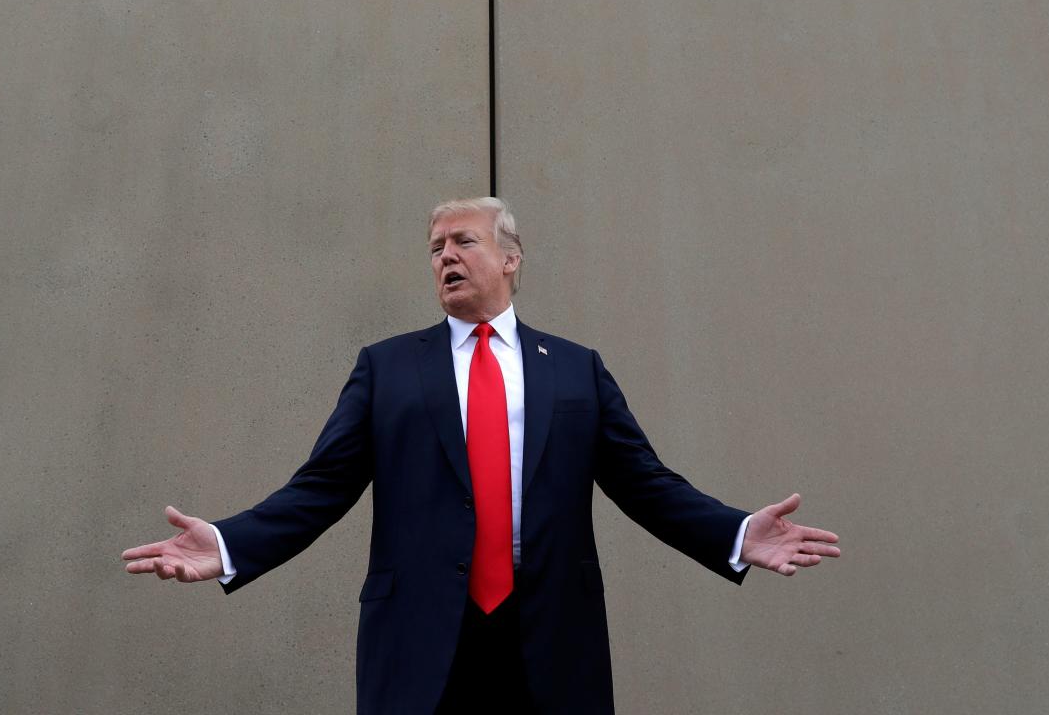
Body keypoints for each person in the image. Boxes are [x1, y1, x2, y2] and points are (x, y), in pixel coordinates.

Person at [122, 197, 840, 714]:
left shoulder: (576, 370)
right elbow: (321, 487)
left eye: (462, 241)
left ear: (510, 257)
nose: (445, 256)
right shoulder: (388, 368)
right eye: (435, 248)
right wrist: (226, 543)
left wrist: (739, 534)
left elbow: (646, 484)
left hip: (549, 635)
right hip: (423, 638)